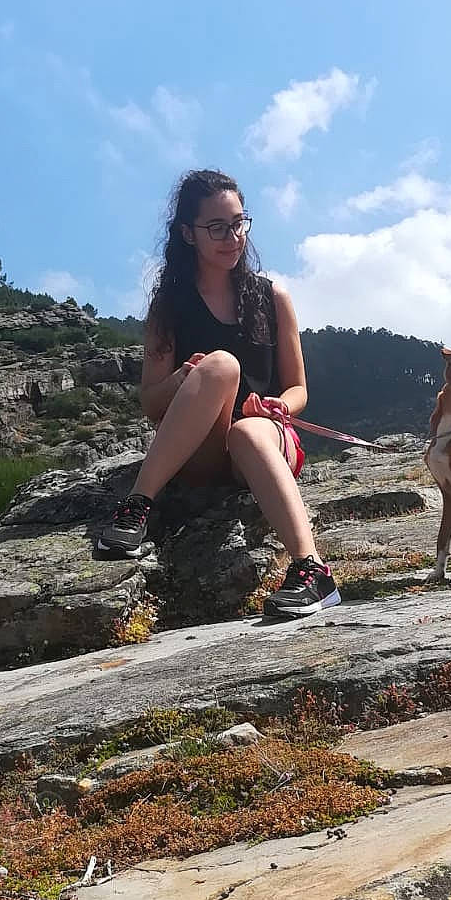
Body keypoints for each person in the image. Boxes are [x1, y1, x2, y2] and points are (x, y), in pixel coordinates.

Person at [95, 168, 340, 618]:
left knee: (247, 431)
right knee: (221, 366)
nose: (233, 237)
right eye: (217, 228)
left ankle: (312, 571)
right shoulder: (169, 307)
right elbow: (151, 403)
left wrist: (279, 407)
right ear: (188, 233)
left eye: (239, 223)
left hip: (263, 442)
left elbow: (299, 389)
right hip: (201, 452)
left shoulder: (273, 298)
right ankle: (137, 506)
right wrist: (183, 379)